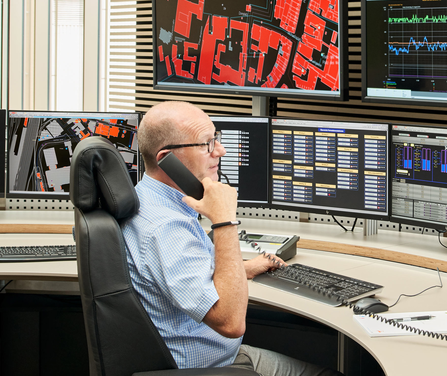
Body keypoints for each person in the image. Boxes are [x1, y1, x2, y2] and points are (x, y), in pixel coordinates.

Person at [121, 101, 342, 375]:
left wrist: (242, 268)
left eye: (216, 138)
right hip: (210, 367)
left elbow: (180, 272)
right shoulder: (167, 227)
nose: (220, 151)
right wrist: (224, 220)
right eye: (206, 144)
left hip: (212, 358)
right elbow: (230, 322)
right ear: (168, 158)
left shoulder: (149, 199)